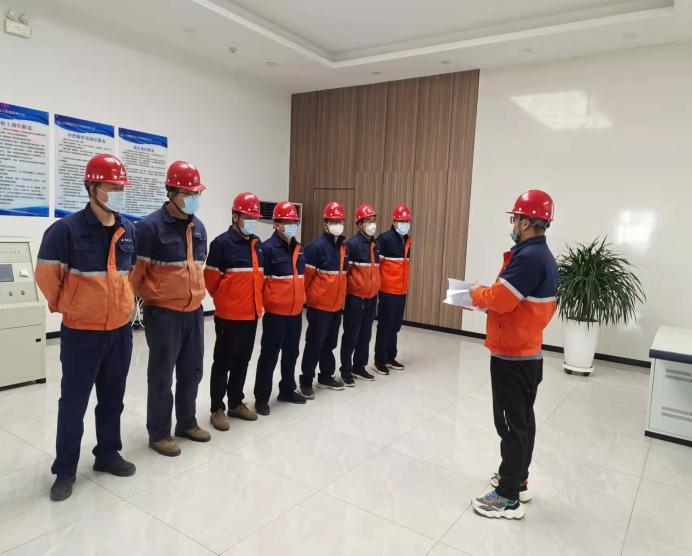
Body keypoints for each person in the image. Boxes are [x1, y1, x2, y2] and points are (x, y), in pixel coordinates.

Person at [36, 154, 137, 501]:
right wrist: (71, 306)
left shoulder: (129, 230)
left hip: (119, 331)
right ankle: (65, 469)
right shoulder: (65, 230)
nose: (119, 193)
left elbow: (130, 275)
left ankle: (107, 454)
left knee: (113, 398)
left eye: (122, 187)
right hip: (81, 333)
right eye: (112, 187)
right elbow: (47, 276)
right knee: (74, 402)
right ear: (92, 188)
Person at [469, 189, 558, 520]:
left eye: (515, 218)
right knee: (522, 422)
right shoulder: (540, 255)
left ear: (525, 222)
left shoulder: (529, 257)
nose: (513, 224)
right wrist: (487, 299)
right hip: (526, 352)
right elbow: (512, 301)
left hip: (514, 356)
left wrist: (474, 293)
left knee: (510, 425)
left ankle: (507, 497)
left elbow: (501, 299)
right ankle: (517, 480)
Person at [131, 160, 210, 457]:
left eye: (196, 193)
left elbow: (197, 267)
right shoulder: (150, 227)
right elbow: (135, 276)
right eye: (188, 193)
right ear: (171, 192)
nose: (194, 198)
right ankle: (159, 432)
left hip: (194, 312)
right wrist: (153, 298)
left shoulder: (199, 227)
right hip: (164, 314)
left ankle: (186, 423)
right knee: (162, 375)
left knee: (192, 371)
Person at [204, 192, 264, 431]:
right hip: (229, 317)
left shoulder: (257, 245)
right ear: (235, 216)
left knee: (243, 361)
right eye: (248, 216)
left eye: (255, 217)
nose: (252, 221)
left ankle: (236, 402)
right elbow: (211, 281)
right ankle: (217, 408)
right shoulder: (221, 244)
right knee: (223, 362)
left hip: (251, 315)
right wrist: (226, 301)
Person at [253, 201, 307, 415]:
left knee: (291, 354)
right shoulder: (267, 249)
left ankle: (287, 389)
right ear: (276, 224)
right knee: (269, 356)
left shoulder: (300, 249)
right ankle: (261, 397)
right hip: (276, 315)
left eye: (294, 222)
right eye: (286, 222)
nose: (291, 226)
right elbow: (260, 283)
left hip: (295, 313)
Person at [298, 202, 349, 398]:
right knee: (315, 343)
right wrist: (310, 299)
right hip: (319, 306)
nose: (337, 224)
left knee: (330, 343)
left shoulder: (343, 248)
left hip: (336, 305)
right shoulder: (315, 248)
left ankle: (326, 376)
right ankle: (306, 380)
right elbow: (306, 279)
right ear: (325, 223)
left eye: (340, 221)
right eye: (333, 221)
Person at [339, 203, 380, 386]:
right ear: (359, 224)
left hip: (371, 298)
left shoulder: (375, 244)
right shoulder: (352, 245)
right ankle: (346, 370)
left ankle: (359, 366)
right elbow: (345, 273)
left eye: (373, 220)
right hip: (355, 298)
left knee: (365, 335)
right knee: (351, 335)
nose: (372, 224)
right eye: (367, 221)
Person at [372, 204, 412, 376]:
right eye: (402, 221)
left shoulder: (407, 240)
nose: (405, 224)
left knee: (395, 326)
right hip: (388, 290)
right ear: (394, 221)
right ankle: (379, 360)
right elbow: (376, 266)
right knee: (385, 326)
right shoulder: (384, 239)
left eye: (407, 221)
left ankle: (390, 357)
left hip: (401, 290)